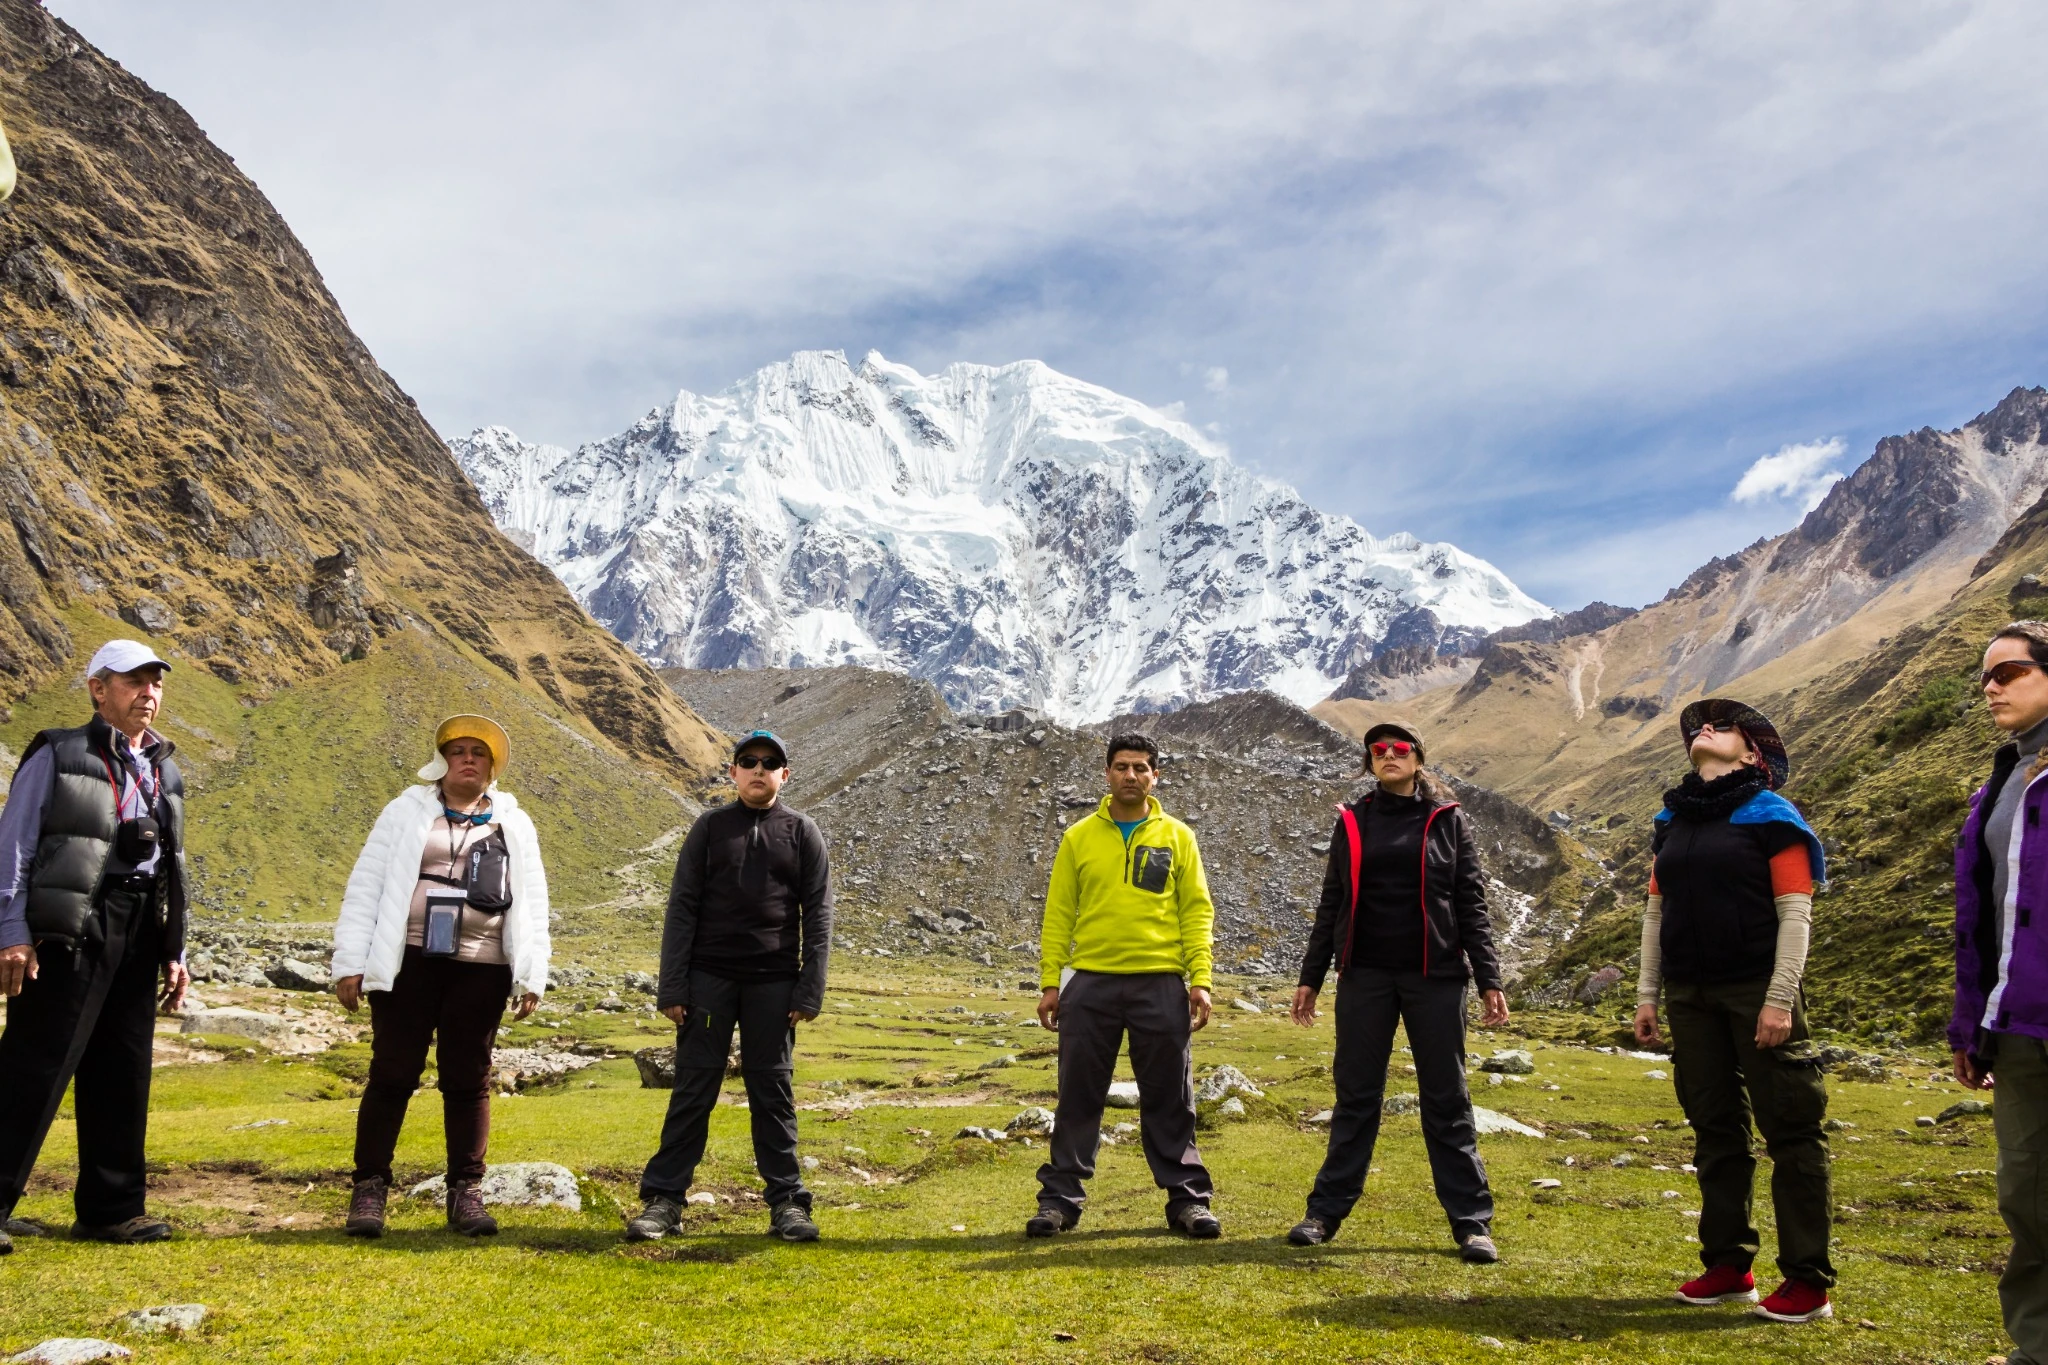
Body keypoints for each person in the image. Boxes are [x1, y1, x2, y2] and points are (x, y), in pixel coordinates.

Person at [1632, 697, 1831, 1324]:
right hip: (1691, 994)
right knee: (1715, 1130)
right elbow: (1656, 913)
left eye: (1722, 727)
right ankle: (1728, 1266)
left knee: (1792, 1130)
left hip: (1756, 989)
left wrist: (1778, 999)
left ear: (1752, 753)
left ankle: (1807, 1281)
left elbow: (1795, 913)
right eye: (1698, 728)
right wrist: (1647, 994)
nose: (1704, 730)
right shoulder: (1673, 822)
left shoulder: (1773, 816)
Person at [1286, 722, 1507, 1260]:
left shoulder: (1447, 821)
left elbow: (1471, 903)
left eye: (1399, 749)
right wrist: (1311, 978)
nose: (1388, 755)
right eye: (1378, 750)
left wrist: (1489, 979)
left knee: (1446, 1097)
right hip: (1365, 977)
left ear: (1416, 759)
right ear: (1369, 761)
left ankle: (1472, 1222)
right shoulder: (1353, 821)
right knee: (1356, 1095)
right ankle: (1324, 1213)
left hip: (1435, 978)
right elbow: (1331, 902)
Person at [0, 639, 190, 1253]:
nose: (148, 694)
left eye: (155, 683)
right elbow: (16, 846)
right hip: (69, 923)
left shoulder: (165, 766)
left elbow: (170, 865)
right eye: (134, 681)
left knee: (124, 1068)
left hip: (137, 926)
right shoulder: (58, 753)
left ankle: (112, 1209)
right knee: (34, 1066)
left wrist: (174, 947)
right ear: (97, 688)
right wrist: (11, 931)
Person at [331, 715, 550, 1238]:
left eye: (480, 752)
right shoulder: (405, 812)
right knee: (392, 1072)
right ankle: (369, 1191)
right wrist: (350, 961)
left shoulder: (513, 822)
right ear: (443, 760)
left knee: (469, 1077)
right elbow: (367, 884)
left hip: (484, 965)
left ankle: (466, 1195)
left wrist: (532, 972)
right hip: (409, 960)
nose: (469, 759)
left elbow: (534, 901)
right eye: (459, 751)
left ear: (493, 766)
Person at [627, 730, 832, 1244]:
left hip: (775, 986)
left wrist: (810, 989)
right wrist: (672, 987)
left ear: (785, 774)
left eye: (770, 762)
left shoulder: (802, 832)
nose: (759, 769)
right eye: (749, 761)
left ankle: (788, 1204)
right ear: (734, 772)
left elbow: (819, 915)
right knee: (694, 1089)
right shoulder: (710, 828)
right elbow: (682, 909)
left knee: (773, 1092)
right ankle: (665, 1202)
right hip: (707, 983)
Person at [1028, 733, 1219, 1239]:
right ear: (1107, 774)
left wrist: (1200, 979)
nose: (1130, 775)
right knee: (1078, 1093)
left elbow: (1196, 911)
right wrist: (1052, 982)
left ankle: (1188, 1201)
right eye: (1121, 767)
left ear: (1156, 776)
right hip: (1089, 983)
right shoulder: (1079, 837)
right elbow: (1059, 913)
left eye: (1140, 767)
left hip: (1160, 982)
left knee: (1170, 1095)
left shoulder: (1178, 836)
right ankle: (1059, 1202)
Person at [1954, 621, 2048, 1365]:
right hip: (2017, 1024)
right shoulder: (2000, 785)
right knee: (2026, 1193)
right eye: (1986, 674)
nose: (1991, 686)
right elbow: (1980, 916)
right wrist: (1970, 1024)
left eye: (2009, 671)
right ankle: (2035, 1346)